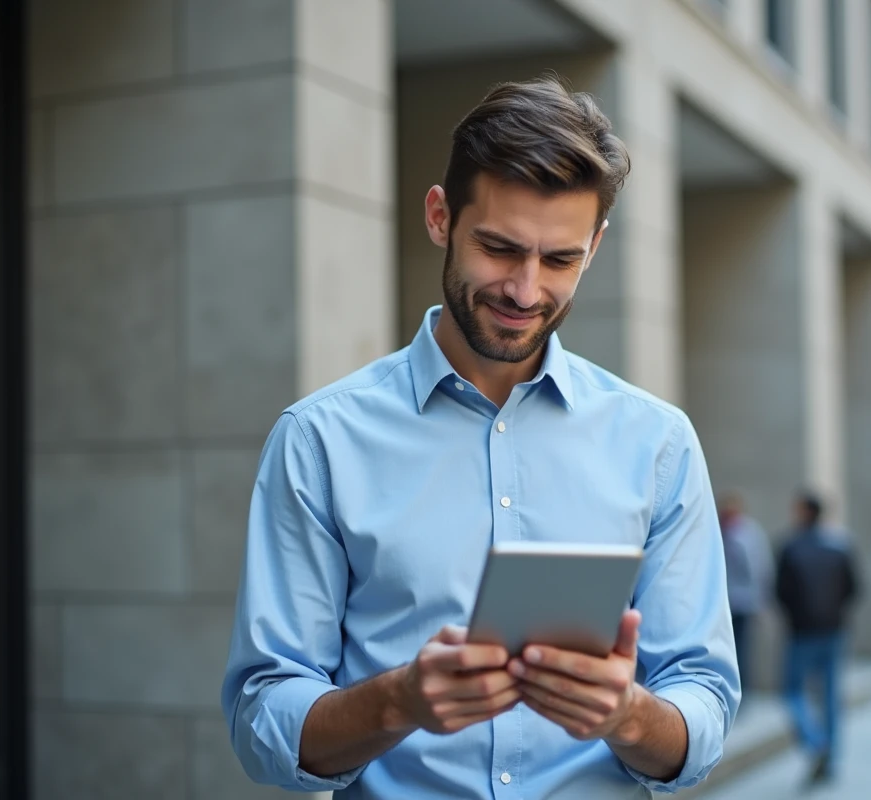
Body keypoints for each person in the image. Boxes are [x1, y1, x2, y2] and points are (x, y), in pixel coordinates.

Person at [220, 77, 740, 798]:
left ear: (594, 248)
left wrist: (627, 715)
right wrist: (397, 701)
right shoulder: (319, 441)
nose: (525, 291)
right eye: (499, 248)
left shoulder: (659, 444)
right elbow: (263, 719)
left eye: (559, 260)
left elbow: (703, 702)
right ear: (440, 217)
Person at [774, 492, 861, 786]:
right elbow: (853, 588)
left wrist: (796, 616)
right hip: (833, 630)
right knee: (830, 696)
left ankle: (816, 743)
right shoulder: (839, 545)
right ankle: (829, 754)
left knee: (793, 691)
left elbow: (780, 591)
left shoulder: (791, 547)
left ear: (804, 512)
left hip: (802, 632)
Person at [720, 492, 773, 681]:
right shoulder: (718, 531)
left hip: (741, 601)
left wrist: (760, 600)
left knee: (740, 648)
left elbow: (758, 568)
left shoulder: (748, 534)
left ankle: (741, 686)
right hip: (722, 600)